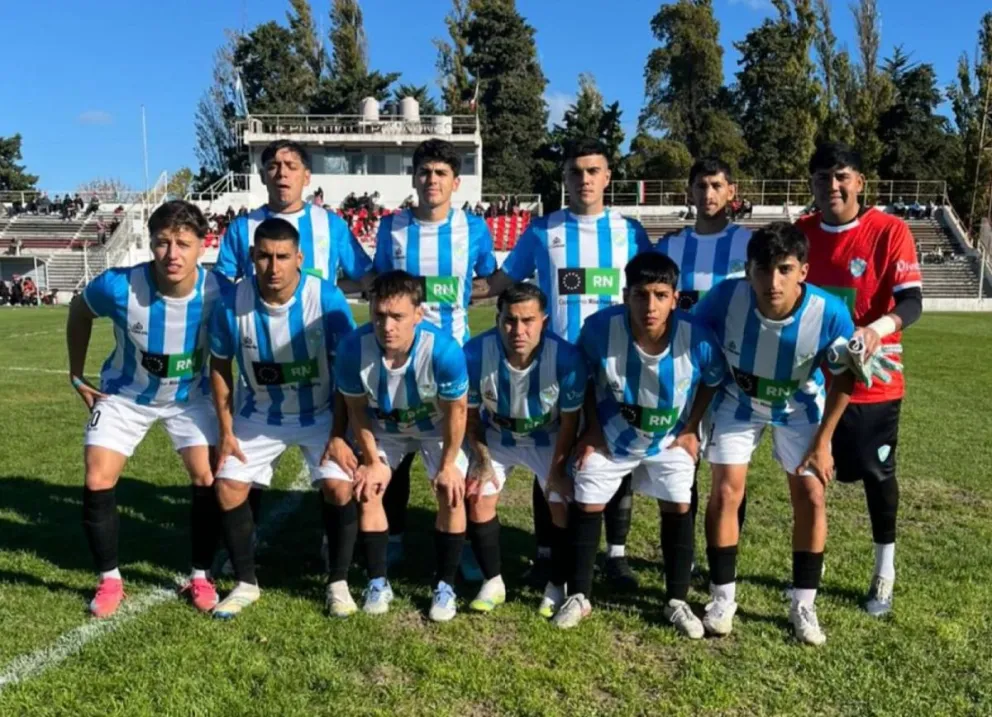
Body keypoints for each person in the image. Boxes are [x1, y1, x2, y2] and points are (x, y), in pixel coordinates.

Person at [478, 138, 653, 593]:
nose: (584, 179)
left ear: (608, 176)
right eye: (576, 172)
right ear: (565, 178)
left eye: (593, 170)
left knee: (616, 456)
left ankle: (614, 555)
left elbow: (650, 291)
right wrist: (454, 289)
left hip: (614, 365)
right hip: (556, 368)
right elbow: (504, 279)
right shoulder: (542, 231)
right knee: (549, 460)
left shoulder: (631, 233)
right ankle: (546, 554)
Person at [693, 222, 858, 645]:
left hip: (798, 405)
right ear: (747, 270)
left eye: (785, 269)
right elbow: (689, 340)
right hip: (737, 400)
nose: (773, 281)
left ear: (803, 270)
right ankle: (722, 597)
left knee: (811, 494)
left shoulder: (829, 313)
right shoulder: (725, 298)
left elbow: (844, 380)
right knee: (727, 492)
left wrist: (823, 443)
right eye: (763, 270)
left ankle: (804, 603)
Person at [65, 200, 227, 618]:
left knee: (207, 477)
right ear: (150, 243)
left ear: (202, 246)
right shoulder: (119, 286)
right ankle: (110, 580)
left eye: (183, 244)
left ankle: (201, 574)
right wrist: (77, 375)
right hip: (124, 397)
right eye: (162, 243)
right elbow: (78, 311)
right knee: (97, 477)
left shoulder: (219, 291)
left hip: (189, 400)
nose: (172, 254)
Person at [553, 252, 725, 635]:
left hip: (668, 438)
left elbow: (712, 379)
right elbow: (584, 380)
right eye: (641, 295)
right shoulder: (599, 330)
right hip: (614, 435)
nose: (650, 305)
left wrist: (691, 427)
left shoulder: (697, 337)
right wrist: (593, 429)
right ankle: (579, 595)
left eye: (660, 295)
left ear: (674, 298)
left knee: (679, 501)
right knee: (588, 495)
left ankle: (676, 601)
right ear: (625, 294)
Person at [797, 142, 923, 617]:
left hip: (875, 381)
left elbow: (912, 303)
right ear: (811, 184)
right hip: (812, 383)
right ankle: (811, 562)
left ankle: (883, 572)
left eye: (841, 176)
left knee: (876, 476)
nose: (832, 186)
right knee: (811, 473)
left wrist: (875, 329)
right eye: (823, 177)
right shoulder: (801, 233)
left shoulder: (889, 231)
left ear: (859, 182)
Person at [208, 217, 356, 619]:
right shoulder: (230, 304)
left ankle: (338, 582)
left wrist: (341, 433)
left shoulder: (325, 299)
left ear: (300, 259)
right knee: (227, 487)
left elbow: (348, 370)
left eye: (283, 257)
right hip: (258, 414)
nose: (273, 267)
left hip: (321, 412)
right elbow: (220, 367)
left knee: (341, 488)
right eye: (264, 257)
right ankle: (245, 582)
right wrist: (225, 430)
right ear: (252, 257)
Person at [371, 138, 497, 569]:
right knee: (398, 452)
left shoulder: (474, 229)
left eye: (441, 173)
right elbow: (384, 285)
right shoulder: (393, 228)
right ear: (414, 178)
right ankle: (394, 536)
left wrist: (462, 296)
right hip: (399, 360)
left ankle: (459, 547)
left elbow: (489, 280)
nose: (432, 180)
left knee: (455, 455)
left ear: (456, 182)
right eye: (425, 172)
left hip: (453, 361)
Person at [328, 271, 471, 622]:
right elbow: (356, 411)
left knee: (451, 492)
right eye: (379, 315)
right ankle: (378, 581)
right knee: (368, 488)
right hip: (384, 428)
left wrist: (449, 463)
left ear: (418, 315)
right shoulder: (351, 349)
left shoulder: (444, 350)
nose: (387, 325)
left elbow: (457, 413)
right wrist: (372, 459)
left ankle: (445, 586)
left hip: (435, 429)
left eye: (397, 317)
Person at [462, 282, 586, 617]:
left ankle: (555, 586)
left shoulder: (567, 359)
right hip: (498, 437)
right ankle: (493, 581)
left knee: (561, 502)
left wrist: (558, 472)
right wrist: (483, 461)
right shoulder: (474, 354)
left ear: (544, 320)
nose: (518, 329)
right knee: (477, 494)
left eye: (527, 320)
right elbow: (470, 418)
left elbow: (571, 423)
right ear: (497, 318)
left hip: (548, 437)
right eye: (509, 320)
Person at [654, 157, 753, 542]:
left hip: (733, 375)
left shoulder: (749, 243)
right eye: (701, 186)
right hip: (682, 372)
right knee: (682, 461)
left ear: (732, 192)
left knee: (729, 469)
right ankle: (687, 551)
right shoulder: (671, 245)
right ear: (689, 191)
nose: (708, 193)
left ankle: (725, 547)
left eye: (716, 185)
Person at [215, 139, 373, 290]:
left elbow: (366, 278)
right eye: (273, 166)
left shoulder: (332, 224)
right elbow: (222, 284)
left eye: (291, 166)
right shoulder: (242, 227)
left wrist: (324, 292)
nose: (282, 173)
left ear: (306, 177)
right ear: (263, 176)